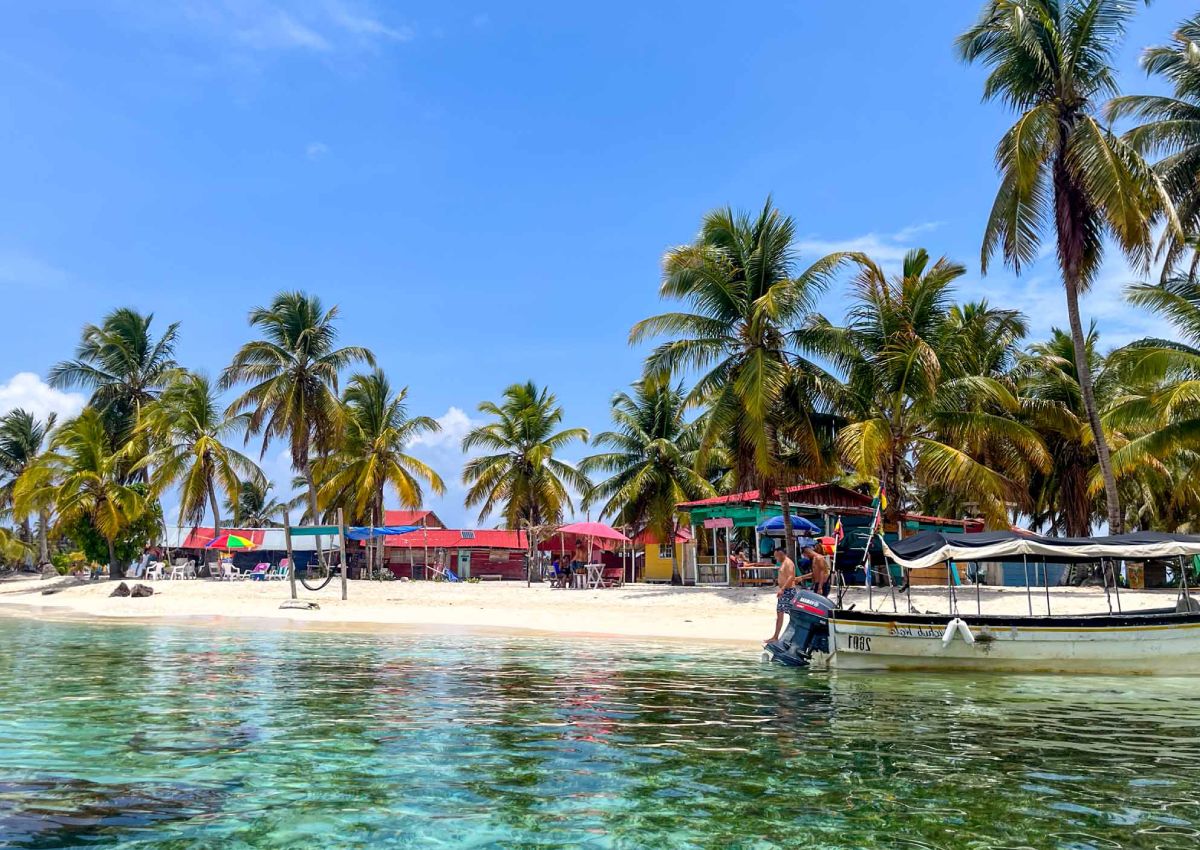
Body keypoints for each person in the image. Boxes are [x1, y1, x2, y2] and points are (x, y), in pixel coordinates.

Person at [766, 546, 797, 643]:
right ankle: (776, 636)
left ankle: (777, 637)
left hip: (788, 591)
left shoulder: (788, 563)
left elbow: (791, 576)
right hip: (785, 591)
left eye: (776, 556)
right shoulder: (783, 562)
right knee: (780, 613)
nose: (776, 558)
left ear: (781, 554)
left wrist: (782, 589)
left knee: (786, 614)